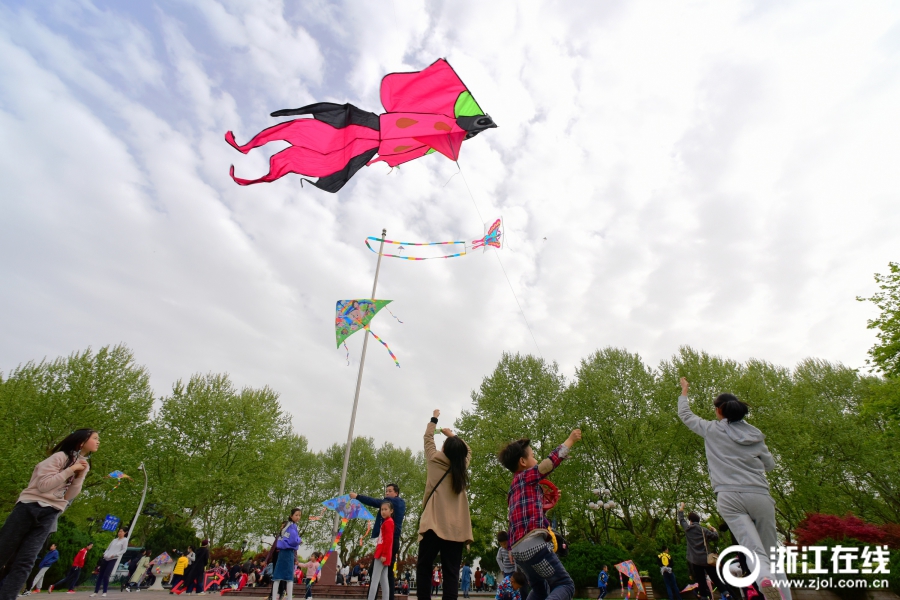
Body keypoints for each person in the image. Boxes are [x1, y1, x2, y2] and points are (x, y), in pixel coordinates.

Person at [677, 378, 790, 600]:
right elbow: (770, 465)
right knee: (772, 552)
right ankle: (783, 594)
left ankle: (764, 577)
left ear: (719, 411)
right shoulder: (755, 435)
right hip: (759, 494)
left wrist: (684, 393)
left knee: (753, 550)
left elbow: (686, 416)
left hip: (729, 496)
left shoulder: (711, 429)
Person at [0, 429, 98, 600]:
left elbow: (69, 496)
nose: (98, 442)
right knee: (3, 551)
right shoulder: (59, 457)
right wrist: (71, 469)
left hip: (51, 512)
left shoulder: (84, 464)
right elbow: (44, 485)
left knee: (26, 561)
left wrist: (79, 476)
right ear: (82, 442)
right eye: (95, 438)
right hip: (29, 506)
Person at [497, 429, 582, 600]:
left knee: (540, 589)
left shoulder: (513, 489)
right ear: (522, 461)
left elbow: (518, 519)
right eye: (533, 456)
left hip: (519, 552)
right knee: (564, 584)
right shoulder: (528, 476)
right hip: (534, 548)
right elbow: (549, 463)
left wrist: (547, 503)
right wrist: (570, 441)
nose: (536, 461)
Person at [417, 410, 473, 600]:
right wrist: (453, 435)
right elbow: (468, 450)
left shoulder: (434, 460)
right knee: (451, 573)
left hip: (433, 524)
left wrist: (434, 419)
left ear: (445, 450)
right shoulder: (462, 466)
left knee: (424, 567)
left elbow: (427, 437)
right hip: (455, 529)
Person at [350, 484, 406, 600]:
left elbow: (374, 502)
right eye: (386, 491)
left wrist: (358, 496)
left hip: (388, 544)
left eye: (390, 491)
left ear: (396, 493)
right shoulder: (388, 518)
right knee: (386, 574)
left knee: (375, 574)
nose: (387, 493)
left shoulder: (396, 504)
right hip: (389, 544)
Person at [677, 505, 733, 600]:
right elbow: (715, 537)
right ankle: (727, 594)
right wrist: (714, 530)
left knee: (701, 581)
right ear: (698, 521)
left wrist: (682, 508)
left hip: (695, 560)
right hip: (707, 559)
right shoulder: (704, 530)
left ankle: (703, 597)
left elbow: (681, 519)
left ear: (690, 521)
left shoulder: (688, 529)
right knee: (715, 578)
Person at [368, 501, 396, 600]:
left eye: (385, 509)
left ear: (391, 511)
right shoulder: (388, 522)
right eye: (381, 510)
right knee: (384, 581)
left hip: (381, 554)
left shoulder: (388, 522)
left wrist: (383, 554)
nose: (383, 512)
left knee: (375, 580)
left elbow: (388, 540)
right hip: (384, 554)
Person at [272, 509, 302, 600]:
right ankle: (289, 598)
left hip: (282, 552)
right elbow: (293, 540)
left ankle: (274, 597)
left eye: (299, 515)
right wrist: (300, 540)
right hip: (288, 553)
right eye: (296, 515)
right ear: (291, 515)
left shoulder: (287, 526)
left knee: (277, 576)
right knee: (289, 577)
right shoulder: (292, 526)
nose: (298, 517)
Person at [91, 528, 128, 597]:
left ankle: (104, 591)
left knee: (106, 575)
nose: (119, 532)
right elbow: (108, 548)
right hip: (106, 558)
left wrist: (115, 554)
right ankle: (95, 592)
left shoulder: (125, 540)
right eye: (119, 531)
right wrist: (105, 554)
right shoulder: (114, 540)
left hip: (113, 558)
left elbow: (124, 550)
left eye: (121, 531)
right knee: (100, 575)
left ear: (125, 532)